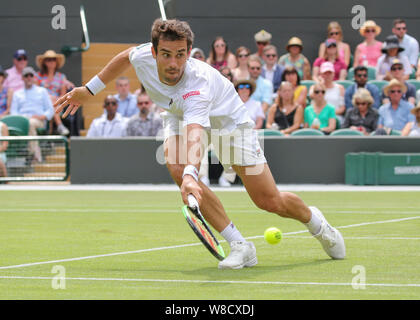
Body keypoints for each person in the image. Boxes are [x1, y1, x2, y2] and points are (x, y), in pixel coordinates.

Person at [55, 18, 345, 269]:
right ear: (154, 52)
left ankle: (317, 223)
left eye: (181, 55)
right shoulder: (142, 55)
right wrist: (88, 89)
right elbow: (123, 57)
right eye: (166, 54)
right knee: (176, 167)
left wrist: (192, 175)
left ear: (189, 53)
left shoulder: (197, 83)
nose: (173, 63)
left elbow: (197, 133)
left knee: (268, 201)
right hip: (177, 112)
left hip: (230, 123)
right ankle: (240, 245)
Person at [10, 66, 55, 162]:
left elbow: (50, 110)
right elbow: (14, 112)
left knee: (30, 123)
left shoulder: (42, 91)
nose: (29, 77)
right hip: (22, 122)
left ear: (34, 77)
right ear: (22, 78)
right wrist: (22, 119)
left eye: (31, 75)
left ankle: (33, 153)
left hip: (39, 121)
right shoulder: (17, 94)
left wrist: (42, 116)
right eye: (26, 75)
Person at [35, 50, 70, 135]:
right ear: (44, 62)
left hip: (56, 103)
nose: (51, 62)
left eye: (53, 59)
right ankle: (59, 125)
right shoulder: (38, 76)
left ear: (56, 62)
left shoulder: (61, 77)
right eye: (49, 60)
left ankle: (50, 134)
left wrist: (55, 99)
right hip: (41, 104)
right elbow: (35, 92)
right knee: (50, 100)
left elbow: (63, 95)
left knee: (52, 103)